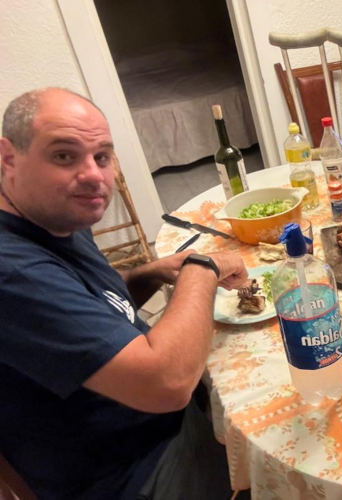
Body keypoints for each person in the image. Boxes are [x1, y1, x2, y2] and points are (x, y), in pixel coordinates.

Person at [0, 88, 250, 499]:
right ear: (8, 158)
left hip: (151, 429)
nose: (94, 176)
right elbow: (166, 384)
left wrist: (147, 274)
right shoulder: (12, 272)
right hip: (132, 471)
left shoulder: (54, 216)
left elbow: (87, 303)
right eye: (64, 155)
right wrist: (200, 269)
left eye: (102, 156)